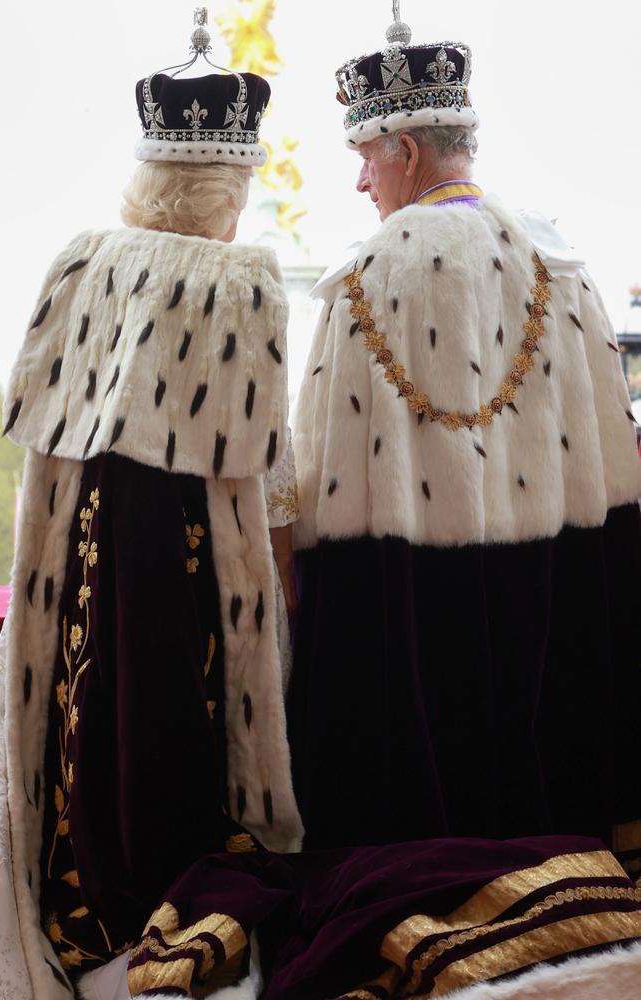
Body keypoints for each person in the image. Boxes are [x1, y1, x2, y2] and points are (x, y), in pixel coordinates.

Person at [0, 10, 302, 998]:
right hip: (192, 557)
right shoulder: (243, 283)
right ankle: (173, 894)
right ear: (230, 185)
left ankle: (80, 883)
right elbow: (267, 468)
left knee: (85, 725)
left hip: (75, 556)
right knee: (184, 732)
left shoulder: (79, 260)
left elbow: (38, 435)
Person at [287, 5, 641, 855]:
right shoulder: (564, 266)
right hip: (558, 609)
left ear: (404, 151)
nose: (361, 184)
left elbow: (319, 508)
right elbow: (622, 490)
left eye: (364, 160)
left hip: (418, 634)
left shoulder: (366, 278)